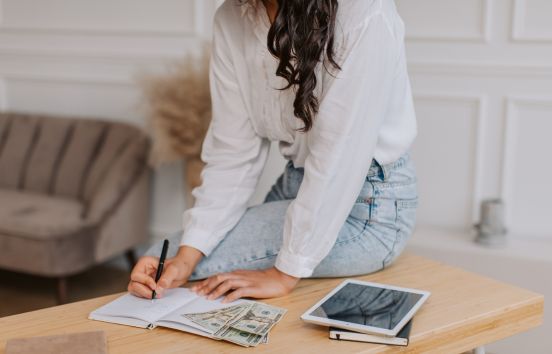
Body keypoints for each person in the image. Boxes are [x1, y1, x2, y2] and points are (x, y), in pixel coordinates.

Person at [128, 0, 418, 304]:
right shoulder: (232, 18)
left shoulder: (363, 11)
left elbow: (339, 158)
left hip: (369, 210)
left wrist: (284, 274)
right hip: (297, 186)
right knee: (167, 265)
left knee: (162, 263)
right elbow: (233, 153)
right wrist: (187, 256)